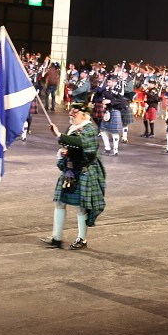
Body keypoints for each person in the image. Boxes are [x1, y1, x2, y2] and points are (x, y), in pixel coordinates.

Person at [46, 101, 106, 250]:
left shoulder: (91, 128)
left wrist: (60, 135)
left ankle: (82, 239)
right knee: (59, 203)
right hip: (70, 170)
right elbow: (69, 144)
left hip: (84, 170)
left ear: (84, 114)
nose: (72, 115)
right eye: (71, 111)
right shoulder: (73, 127)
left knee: (82, 207)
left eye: (75, 112)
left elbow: (82, 144)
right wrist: (64, 150)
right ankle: (56, 237)